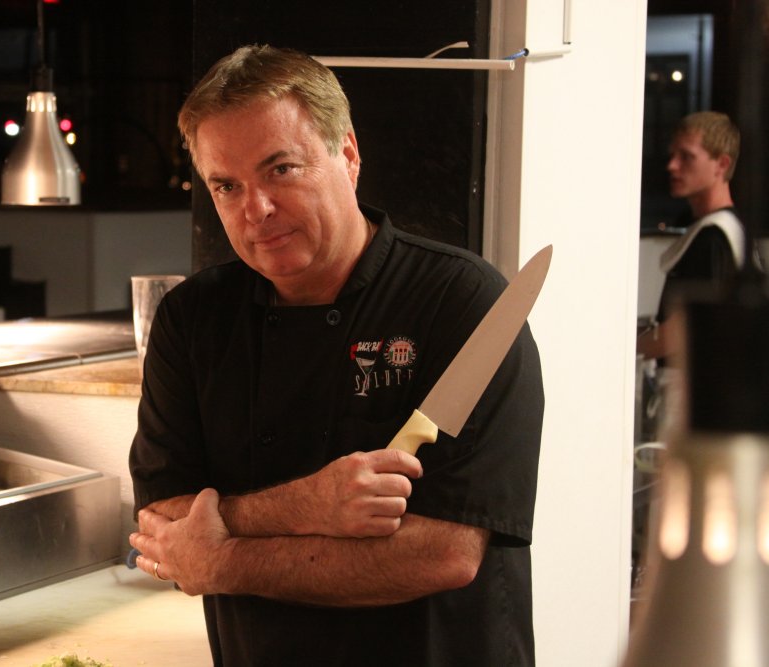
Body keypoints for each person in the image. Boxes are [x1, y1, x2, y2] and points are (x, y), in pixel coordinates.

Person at [128, 44, 544, 666]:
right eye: (227, 186)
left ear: (347, 155)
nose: (256, 209)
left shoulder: (461, 302)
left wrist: (223, 559)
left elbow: (444, 553)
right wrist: (311, 505)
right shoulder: (192, 319)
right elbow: (164, 519)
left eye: (281, 169)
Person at [638, 111, 745, 360]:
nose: (672, 166)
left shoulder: (714, 237)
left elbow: (683, 330)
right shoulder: (721, 228)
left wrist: (625, 348)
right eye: (673, 155)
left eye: (687, 157)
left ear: (722, 164)